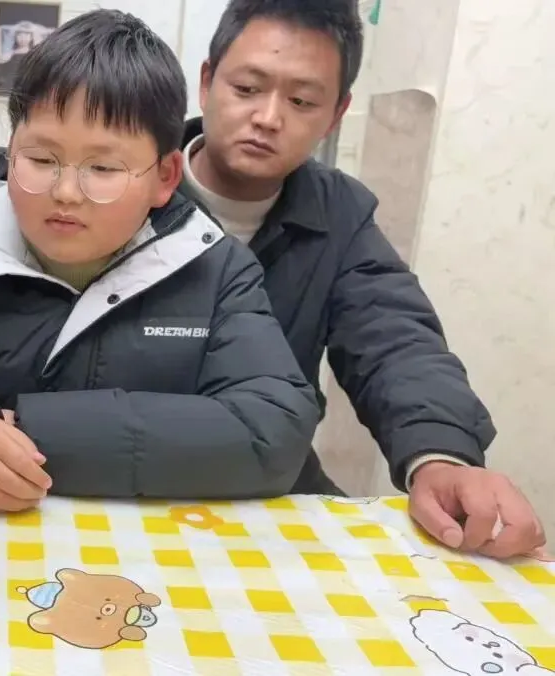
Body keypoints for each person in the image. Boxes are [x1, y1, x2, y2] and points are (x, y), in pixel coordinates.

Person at [0, 9, 321, 511]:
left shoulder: (215, 270)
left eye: (104, 168)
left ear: (165, 177)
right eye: (41, 159)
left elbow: (273, 427)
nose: (66, 191)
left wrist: (34, 432)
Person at [175, 0, 540, 558]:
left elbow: (395, 338)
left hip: (272, 485)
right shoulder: (126, 184)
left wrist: (440, 454)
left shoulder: (339, 214)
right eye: (247, 88)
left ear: (336, 114)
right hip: (129, 477)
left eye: (301, 101)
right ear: (206, 83)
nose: (268, 117)